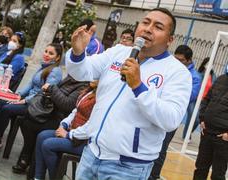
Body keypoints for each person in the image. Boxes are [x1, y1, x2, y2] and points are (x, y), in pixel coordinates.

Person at [66, 8, 192, 180]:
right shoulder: (118, 52)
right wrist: (78, 53)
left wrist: (138, 86)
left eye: (158, 27)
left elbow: (171, 119)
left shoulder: (177, 72)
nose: (148, 29)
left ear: (170, 40)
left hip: (128, 168)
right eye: (145, 22)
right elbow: (81, 72)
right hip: (91, 154)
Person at [0, 43, 63, 149]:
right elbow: (30, 84)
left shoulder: (55, 71)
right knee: (3, 102)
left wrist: (25, 100)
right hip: (29, 100)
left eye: (51, 53)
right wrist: (18, 94)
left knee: (7, 108)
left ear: (57, 57)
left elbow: (43, 93)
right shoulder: (43, 67)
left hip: (37, 105)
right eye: (46, 51)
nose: (46, 54)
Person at [13, 74, 88, 176]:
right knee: (27, 120)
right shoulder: (72, 78)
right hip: (53, 114)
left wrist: (52, 88)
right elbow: (74, 111)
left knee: (42, 135)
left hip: (61, 119)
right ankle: (30, 162)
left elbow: (67, 105)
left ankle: (37, 169)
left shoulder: (84, 86)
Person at [149, 45, 202, 180]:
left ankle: (153, 176)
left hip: (171, 115)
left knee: (161, 148)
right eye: (176, 59)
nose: (178, 62)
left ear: (189, 60)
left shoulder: (194, 77)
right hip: (157, 110)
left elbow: (190, 95)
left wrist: (169, 92)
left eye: (181, 60)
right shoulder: (169, 68)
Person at [34, 81, 97, 180]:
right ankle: (38, 177)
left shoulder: (101, 98)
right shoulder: (88, 91)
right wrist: (64, 124)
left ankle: (55, 177)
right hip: (73, 131)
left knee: (48, 144)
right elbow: (75, 111)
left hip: (84, 142)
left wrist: (68, 135)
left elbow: (91, 127)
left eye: (97, 77)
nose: (93, 78)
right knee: (42, 136)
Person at [193, 65, 228, 180]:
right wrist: (202, 119)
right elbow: (207, 99)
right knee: (200, 168)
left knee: (218, 174)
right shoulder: (221, 79)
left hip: (223, 138)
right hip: (207, 132)